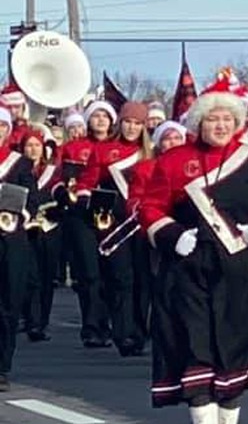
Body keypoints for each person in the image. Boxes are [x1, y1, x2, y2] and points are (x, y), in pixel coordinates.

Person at [140, 71, 248, 424]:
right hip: (189, 269)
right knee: (196, 345)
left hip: (241, 269)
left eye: (228, 118)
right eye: (213, 118)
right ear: (199, 121)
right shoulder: (174, 160)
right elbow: (150, 208)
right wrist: (173, 235)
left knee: (236, 348)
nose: (221, 125)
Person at [74, 101, 154, 357]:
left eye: (138, 123)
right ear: (121, 122)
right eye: (128, 122)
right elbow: (87, 181)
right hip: (116, 226)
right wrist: (87, 197)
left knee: (143, 282)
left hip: (143, 226)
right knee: (122, 279)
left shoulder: (151, 154)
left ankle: (141, 331)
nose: (132, 127)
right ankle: (125, 334)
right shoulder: (104, 149)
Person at [57, 101, 115, 349]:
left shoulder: (120, 147)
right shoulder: (74, 147)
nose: (100, 120)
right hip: (81, 216)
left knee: (112, 274)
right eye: (96, 116)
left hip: (113, 216)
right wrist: (65, 194)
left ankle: (113, 323)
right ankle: (91, 327)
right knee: (89, 273)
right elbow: (59, 178)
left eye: (105, 116)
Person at [0, 106, 37, 391]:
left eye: (2, 126)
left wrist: (16, 214)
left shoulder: (21, 163)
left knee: (9, 303)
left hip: (11, 240)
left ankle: (2, 366)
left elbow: (31, 201)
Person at [21, 133, 57, 343]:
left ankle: (41, 321)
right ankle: (31, 321)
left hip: (50, 228)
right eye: (29, 145)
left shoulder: (53, 171)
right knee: (30, 277)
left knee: (46, 277)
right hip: (26, 227)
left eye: (37, 145)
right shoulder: (17, 168)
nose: (33, 149)